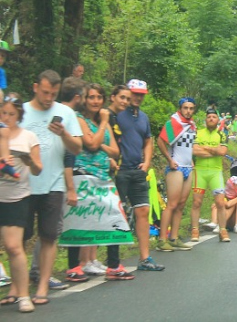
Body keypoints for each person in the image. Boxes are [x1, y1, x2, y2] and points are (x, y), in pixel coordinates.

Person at [20, 70, 83, 305]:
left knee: (48, 236)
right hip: (23, 185)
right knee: (19, 239)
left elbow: (77, 148)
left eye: (53, 94)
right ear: (35, 87)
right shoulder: (22, 111)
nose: (48, 98)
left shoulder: (65, 113)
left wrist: (64, 133)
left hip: (53, 184)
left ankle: (43, 286)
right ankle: (20, 286)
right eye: (45, 92)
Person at [66, 84, 133, 281]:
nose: (95, 101)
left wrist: (100, 143)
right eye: (91, 97)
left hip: (103, 176)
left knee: (114, 217)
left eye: (98, 97)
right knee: (79, 219)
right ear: (85, 100)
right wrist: (103, 124)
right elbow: (91, 144)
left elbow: (115, 151)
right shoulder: (79, 119)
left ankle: (113, 265)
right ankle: (73, 267)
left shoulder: (101, 122)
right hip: (83, 175)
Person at [115, 79, 164, 271]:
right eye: (135, 93)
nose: (138, 97)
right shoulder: (117, 114)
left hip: (138, 170)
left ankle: (145, 258)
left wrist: (147, 162)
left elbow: (148, 141)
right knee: (116, 213)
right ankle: (111, 260)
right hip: (120, 170)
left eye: (141, 94)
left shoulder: (143, 117)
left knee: (143, 211)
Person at [0, 94, 43, 312]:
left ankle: (24, 295)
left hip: (16, 198)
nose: (6, 117)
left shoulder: (28, 137)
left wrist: (27, 160)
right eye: (3, 113)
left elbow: (37, 169)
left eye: (11, 114)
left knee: (13, 247)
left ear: (19, 115)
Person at [156, 97, 197, 252]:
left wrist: (191, 160)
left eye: (191, 108)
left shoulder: (192, 125)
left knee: (180, 205)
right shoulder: (173, 123)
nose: (188, 111)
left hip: (188, 166)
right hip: (176, 167)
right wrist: (169, 159)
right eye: (185, 108)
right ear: (180, 108)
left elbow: (190, 146)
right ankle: (162, 239)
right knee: (172, 204)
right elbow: (160, 141)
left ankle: (174, 237)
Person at [190, 107, 228, 242]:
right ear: (206, 120)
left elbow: (223, 151)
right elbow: (194, 151)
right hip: (199, 171)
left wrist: (205, 148)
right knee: (196, 202)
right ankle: (195, 230)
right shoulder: (198, 132)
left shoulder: (222, 134)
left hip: (215, 172)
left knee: (220, 202)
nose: (211, 119)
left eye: (214, 117)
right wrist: (214, 150)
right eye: (209, 117)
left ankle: (223, 230)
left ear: (218, 120)